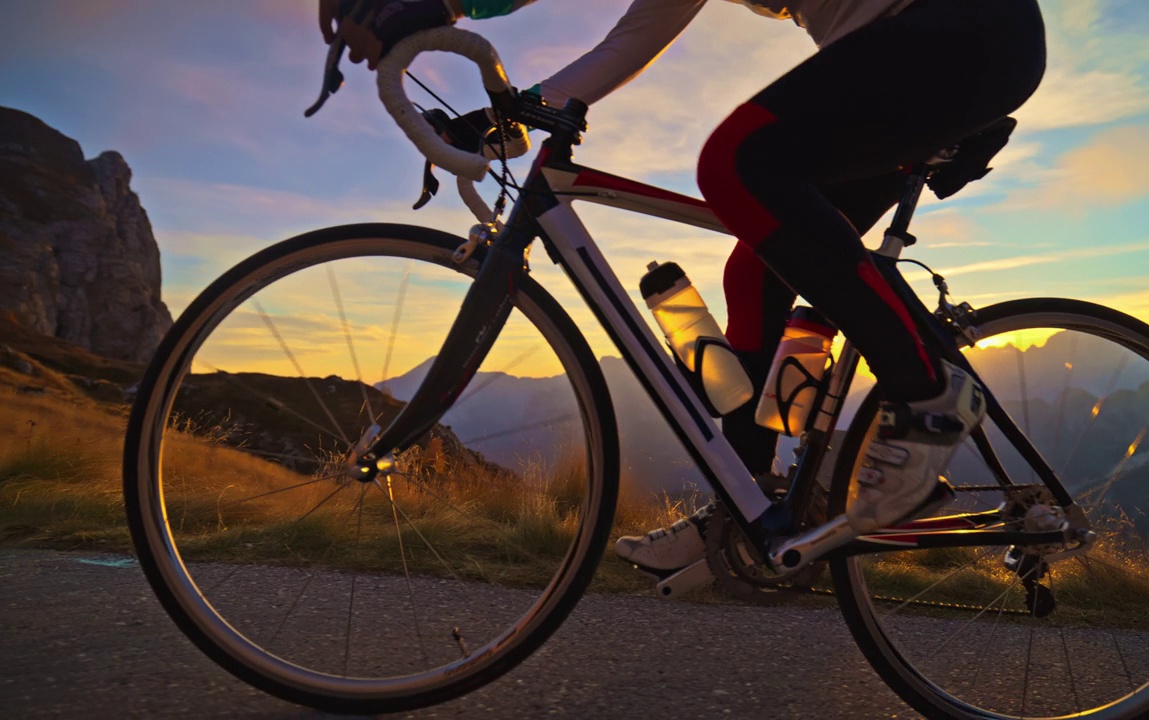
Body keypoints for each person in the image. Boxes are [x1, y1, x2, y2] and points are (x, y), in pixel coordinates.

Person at [320, 0, 1046, 574]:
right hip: (935, 53)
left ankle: (925, 393)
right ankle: (751, 507)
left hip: (962, 27)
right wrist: (511, 115)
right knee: (756, 263)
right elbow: (625, 44)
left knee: (737, 164)